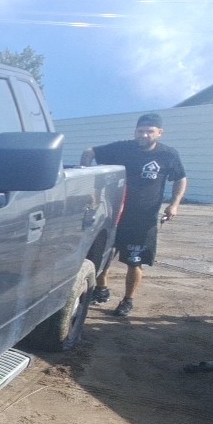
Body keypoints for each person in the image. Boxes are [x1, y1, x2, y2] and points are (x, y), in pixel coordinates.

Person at [80, 113, 187, 317]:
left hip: (142, 219)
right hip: (112, 214)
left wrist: (174, 205)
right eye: (140, 131)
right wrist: (89, 181)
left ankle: (127, 300)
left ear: (159, 133)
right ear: (135, 132)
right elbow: (89, 152)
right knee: (101, 254)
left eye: (149, 131)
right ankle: (101, 291)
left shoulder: (168, 155)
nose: (144, 135)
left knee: (134, 262)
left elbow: (180, 178)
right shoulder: (122, 148)